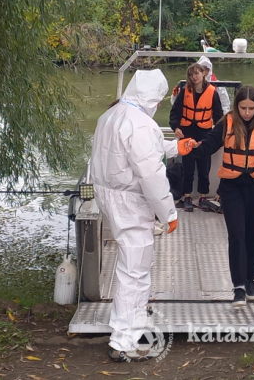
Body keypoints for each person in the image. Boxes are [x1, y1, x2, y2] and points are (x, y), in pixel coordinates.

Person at [89, 69, 179, 362]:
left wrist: (176, 147)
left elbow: (135, 152)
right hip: (130, 202)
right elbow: (151, 173)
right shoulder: (141, 124)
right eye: (160, 98)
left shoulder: (113, 115)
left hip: (110, 197)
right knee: (135, 270)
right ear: (152, 96)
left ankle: (132, 321)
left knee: (131, 266)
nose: (160, 104)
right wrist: (168, 212)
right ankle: (123, 340)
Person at [178, 85, 254, 307]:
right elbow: (208, 146)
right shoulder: (226, 123)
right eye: (243, 108)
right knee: (237, 234)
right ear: (236, 107)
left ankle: (250, 281)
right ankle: (238, 286)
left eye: (251, 108)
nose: (247, 113)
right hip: (232, 187)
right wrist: (191, 147)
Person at [170, 62, 223, 212]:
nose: (195, 77)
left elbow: (219, 117)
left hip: (204, 134)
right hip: (187, 133)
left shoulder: (212, 92)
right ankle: (187, 197)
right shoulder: (184, 91)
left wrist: (217, 136)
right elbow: (175, 113)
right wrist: (176, 127)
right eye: (192, 74)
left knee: (204, 168)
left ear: (204, 73)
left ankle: (202, 197)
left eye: (197, 73)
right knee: (188, 168)